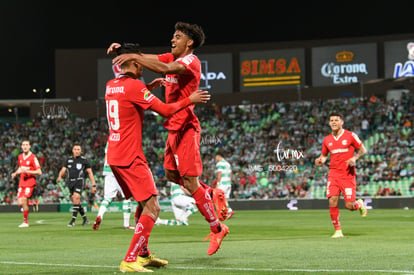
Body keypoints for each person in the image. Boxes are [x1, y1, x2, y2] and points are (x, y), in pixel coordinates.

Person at [108, 22, 229, 256]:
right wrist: (123, 51)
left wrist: (132, 56)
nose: (172, 40)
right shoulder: (171, 56)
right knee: (173, 176)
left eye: (177, 36)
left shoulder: (189, 61)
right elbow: (146, 58)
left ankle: (217, 228)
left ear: (189, 42)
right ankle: (212, 194)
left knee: (190, 182)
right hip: (173, 127)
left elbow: (164, 67)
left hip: (186, 126)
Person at [315, 112, 368, 238]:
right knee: (332, 200)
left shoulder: (350, 136)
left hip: (347, 175)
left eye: (336, 120)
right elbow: (323, 156)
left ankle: (359, 204)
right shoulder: (327, 139)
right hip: (333, 174)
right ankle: (338, 231)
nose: (333, 122)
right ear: (329, 123)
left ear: (342, 122)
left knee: (349, 206)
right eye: (331, 120)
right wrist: (320, 160)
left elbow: (363, 150)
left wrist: (355, 158)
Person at [93, 142, 135, 230]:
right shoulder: (123, 139)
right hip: (118, 171)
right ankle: (126, 224)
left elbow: (106, 157)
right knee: (127, 197)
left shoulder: (109, 141)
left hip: (108, 171)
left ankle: (100, 215)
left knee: (107, 198)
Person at [57, 144, 97, 227]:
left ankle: (73, 221)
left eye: (78, 149)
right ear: (72, 150)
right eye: (75, 149)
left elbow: (90, 172)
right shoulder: (68, 160)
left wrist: (93, 185)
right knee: (77, 202)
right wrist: (60, 176)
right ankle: (85, 219)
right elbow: (63, 169)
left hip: (79, 181)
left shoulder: (84, 160)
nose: (77, 151)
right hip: (70, 182)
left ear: (81, 151)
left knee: (76, 197)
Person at [11, 139, 42, 228]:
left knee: (24, 200)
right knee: (20, 203)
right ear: (21, 147)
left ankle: (25, 222)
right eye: (23, 145)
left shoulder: (33, 157)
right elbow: (20, 168)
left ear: (29, 146)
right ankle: (33, 203)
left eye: (26, 145)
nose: (25, 146)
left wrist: (28, 171)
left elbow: (39, 172)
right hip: (22, 182)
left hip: (30, 182)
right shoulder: (20, 156)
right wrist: (15, 173)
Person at [214, 152, 235, 219]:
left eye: (216, 157)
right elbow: (231, 173)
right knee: (224, 198)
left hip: (222, 183)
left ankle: (228, 210)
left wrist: (217, 183)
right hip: (228, 183)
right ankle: (227, 211)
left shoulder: (219, 164)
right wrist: (229, 181)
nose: (215, 159)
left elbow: (219, 173)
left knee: (218, 197)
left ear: (218, 156)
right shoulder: (227, 164)